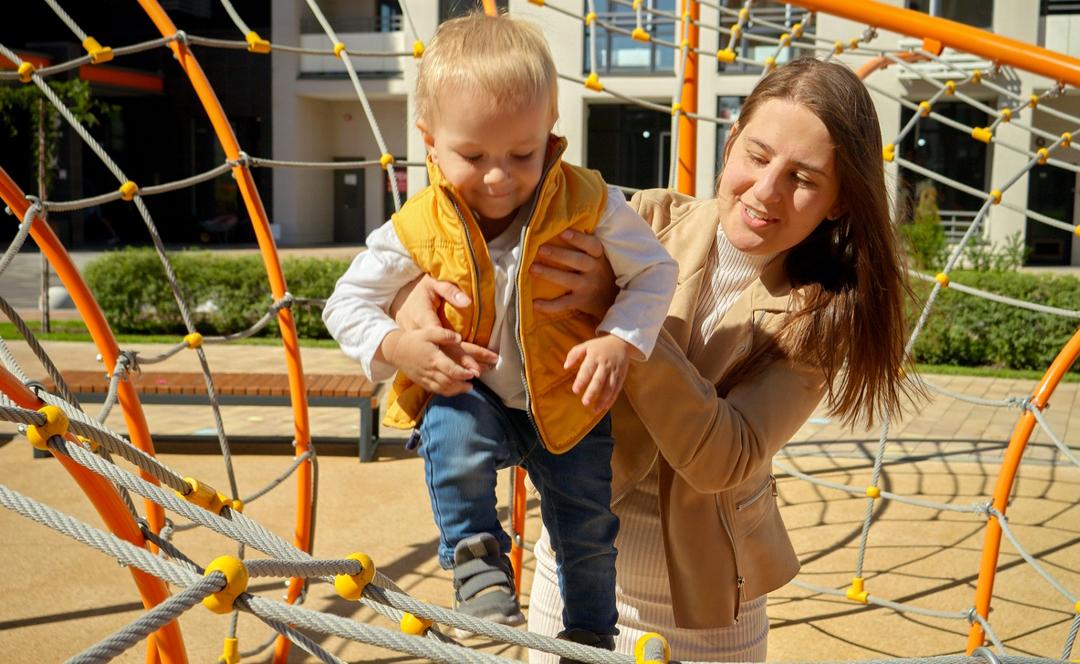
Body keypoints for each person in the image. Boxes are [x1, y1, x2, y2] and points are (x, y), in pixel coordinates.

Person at [391, 57, 917, 662]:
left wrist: (622, 317)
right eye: (757, 155)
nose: (766, 190)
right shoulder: (643, 219)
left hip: (707, 609)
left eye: (802, 178)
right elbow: (480, 246)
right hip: (577, 572)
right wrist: (411, 298)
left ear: (839, 201)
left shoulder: (821, 314)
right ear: (730, 144)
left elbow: (725, 458)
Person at [321, 10, 678, 654]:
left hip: (566, 398)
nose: (497, 176)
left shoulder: (587, 201)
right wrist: (398, 346)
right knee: (450, 433)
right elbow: (345, 303)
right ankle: (478, 563)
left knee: (587, 527)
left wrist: (619, 338)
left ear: (550, 131)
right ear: (430, 142)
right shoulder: (419, 222)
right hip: (475, 392)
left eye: (521, 153)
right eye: (473, 155)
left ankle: (591, 631)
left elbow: (655, 271)